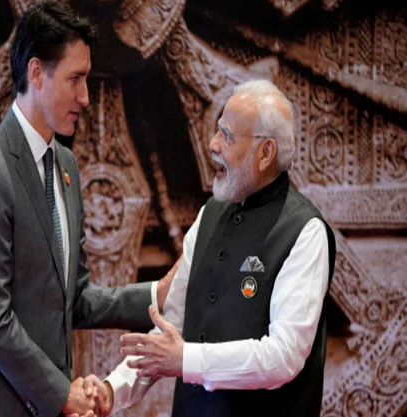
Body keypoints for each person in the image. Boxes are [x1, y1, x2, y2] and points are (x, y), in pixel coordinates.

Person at [0, 2, 172, 416]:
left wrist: (156, 294)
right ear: (36, 73)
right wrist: (61, 393)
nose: (85, 97)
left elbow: (74, 298)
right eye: (75, 79)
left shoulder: (64, 166)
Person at [88, 80, 336, 416]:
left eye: (228, 136)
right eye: (218, 130)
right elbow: (173, 323)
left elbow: (283, 356)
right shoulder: (210, 214)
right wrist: (111, 391)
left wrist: (187, 360)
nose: (212, 144)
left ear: (266, 153)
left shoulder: (305, 232)